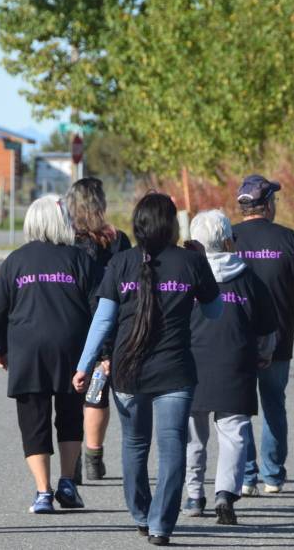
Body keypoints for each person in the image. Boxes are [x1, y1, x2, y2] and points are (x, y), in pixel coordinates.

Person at [73, 192, 222, 546]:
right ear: (171, 224)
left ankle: (141, 514)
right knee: (172, 447)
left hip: (127, 370)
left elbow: (103, 321)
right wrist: (202, 263)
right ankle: (160, 525)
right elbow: (215, 312)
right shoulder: (191, 262)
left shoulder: (121, 263)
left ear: (138, 225)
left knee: (134, 444)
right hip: (175, 372)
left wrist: (84, 365)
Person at [0, 195, 100, 514]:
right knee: (69, 416)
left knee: (33, 423)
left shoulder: (15, 261)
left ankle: (42, 492)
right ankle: (67, 481)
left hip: (28, 350)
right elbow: (99, 307)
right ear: (63, 222)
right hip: (72, 349)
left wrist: (0, 347)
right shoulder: (79, 260)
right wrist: (100, 353)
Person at [232, 174, 294, 496]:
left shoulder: (229, 237)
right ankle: (272, 476)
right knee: (274, 405)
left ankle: (246, 477)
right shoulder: (289, 239)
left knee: (238, 408)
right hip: (279, 338)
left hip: (237, 339)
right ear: (268, 204)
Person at [182, 209, 278, 525]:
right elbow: (266, 328)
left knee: (193, 435)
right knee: (234, 433)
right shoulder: (248, 278)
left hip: (191, 362)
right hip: (236, 362)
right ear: (227, 242)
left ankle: (194, 495)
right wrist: (264, 353)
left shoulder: (185, 276)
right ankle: (225, 493)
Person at [66, 177, 133, 481]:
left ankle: (76, 457)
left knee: (71, 395)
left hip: (70, 324)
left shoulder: (67, 239)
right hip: (108, 322)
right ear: (101, 204)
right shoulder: (117, 240)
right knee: (97, 390)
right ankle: (93, 456)